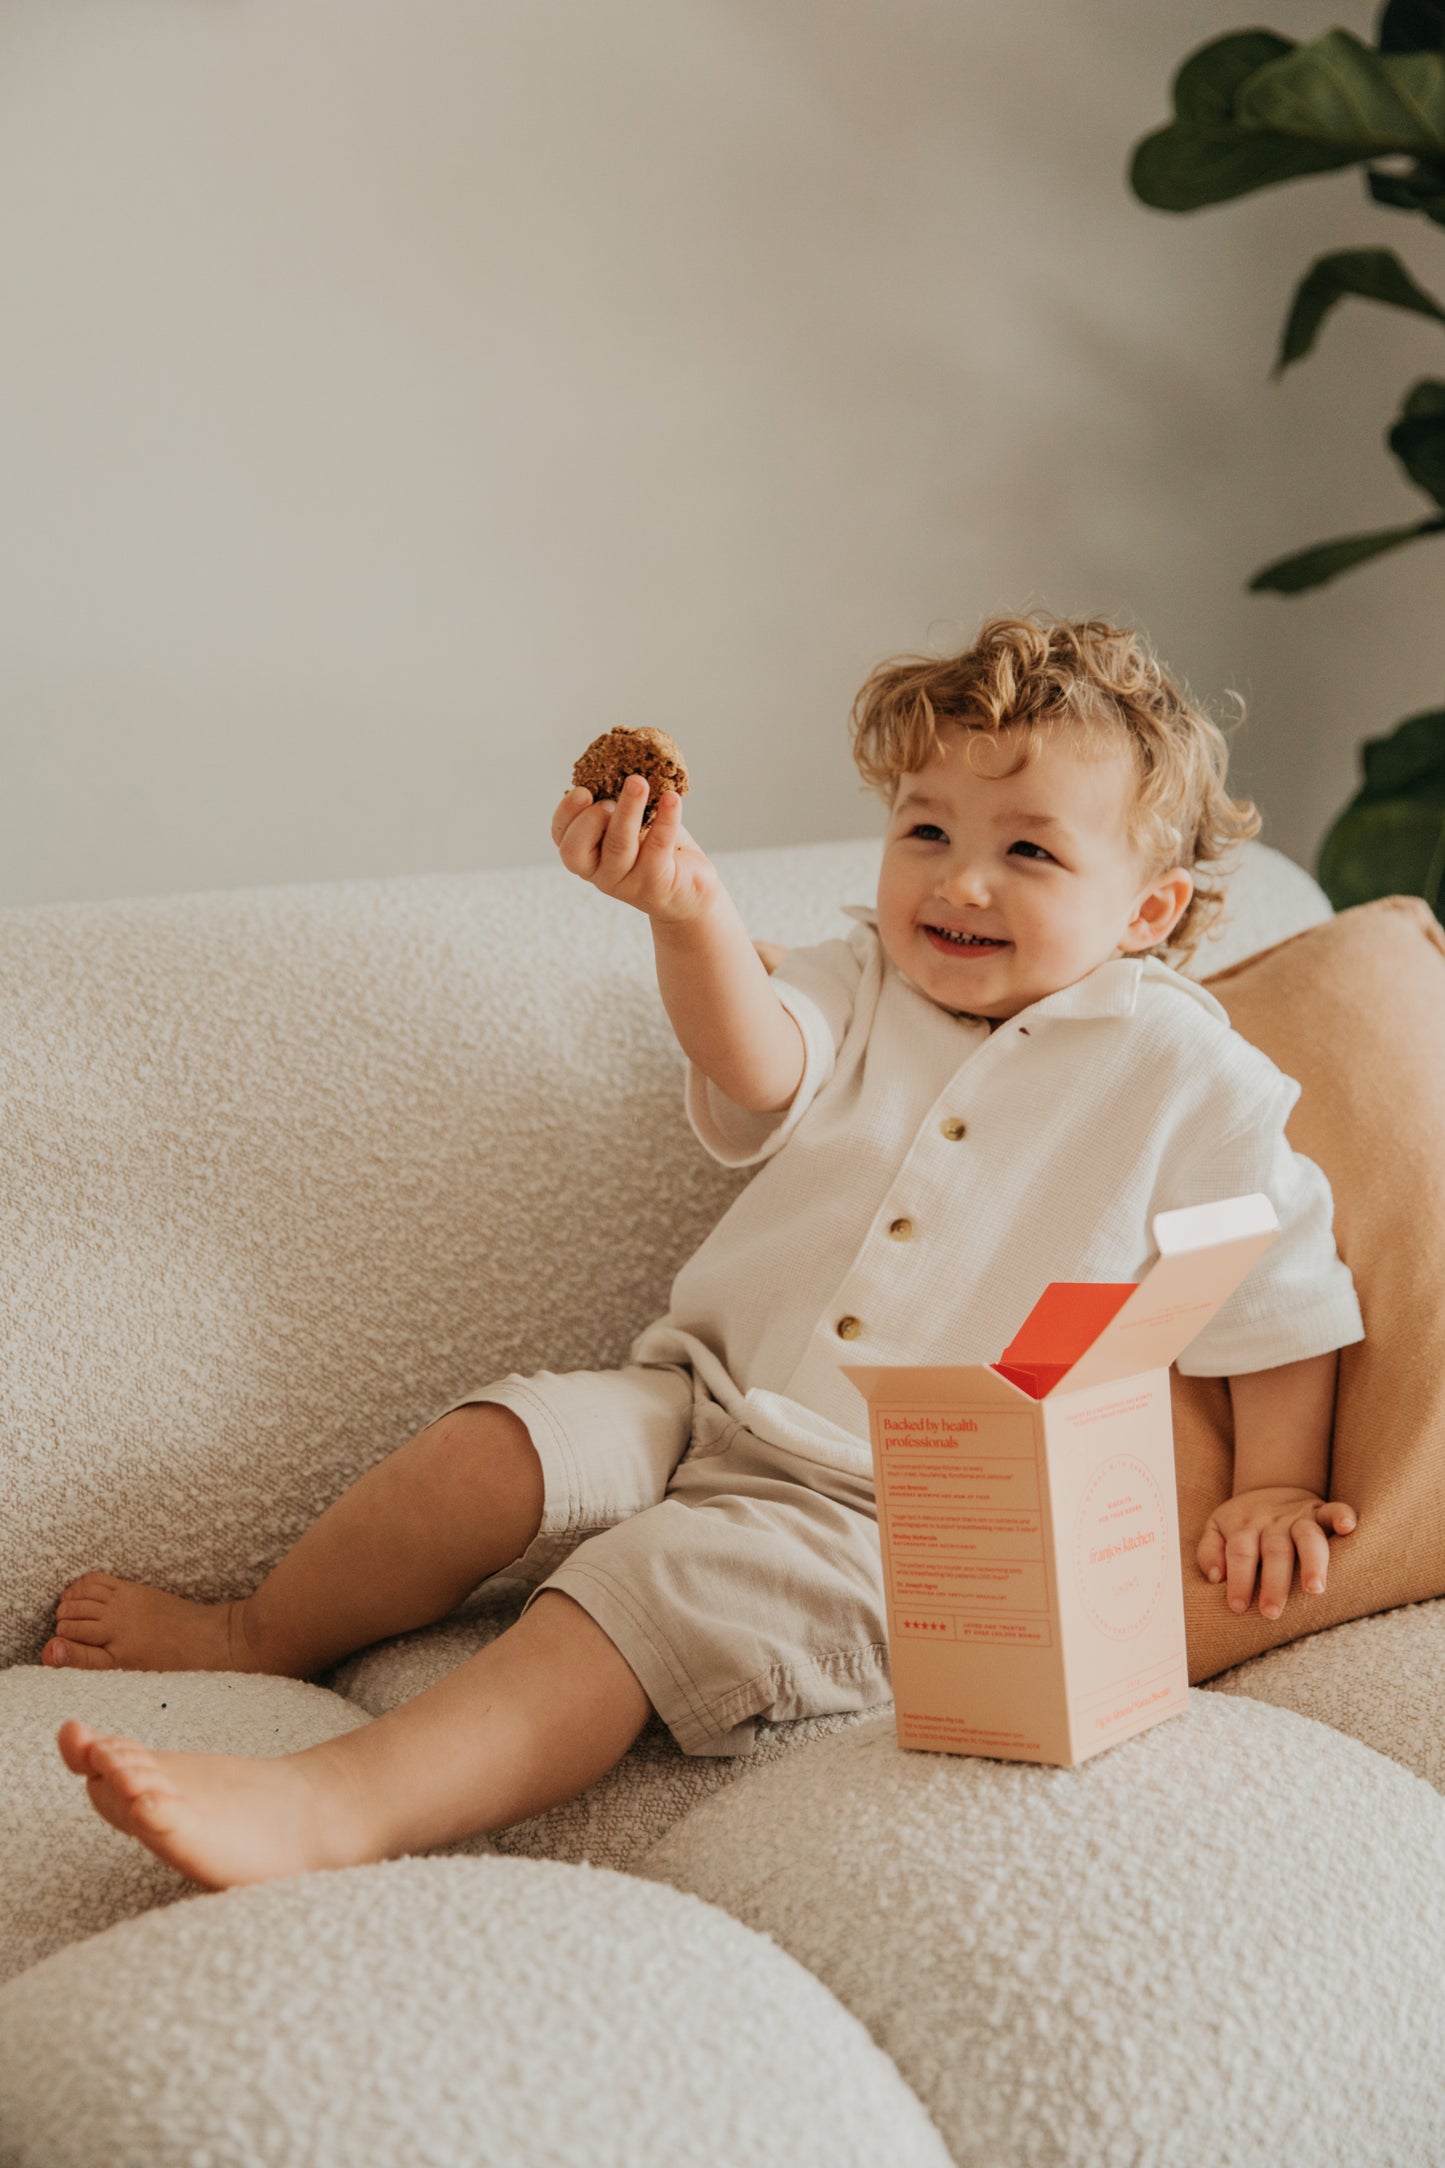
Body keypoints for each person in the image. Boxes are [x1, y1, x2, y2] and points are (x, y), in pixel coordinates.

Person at [48, 614, 1364, 1891]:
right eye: (925, 830)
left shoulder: (1186, 1075)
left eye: (1027, 850)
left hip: (895, 1510)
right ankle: (257, 1633)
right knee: (493, 1446)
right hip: (699, 1398)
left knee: (648, 1588)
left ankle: (338, 1803)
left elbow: (1272, 1286)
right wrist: (687, 910)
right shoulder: (863, 980)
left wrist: (1272, 1486)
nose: (959, 880)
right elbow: (756, 1058)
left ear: (1148, 910)